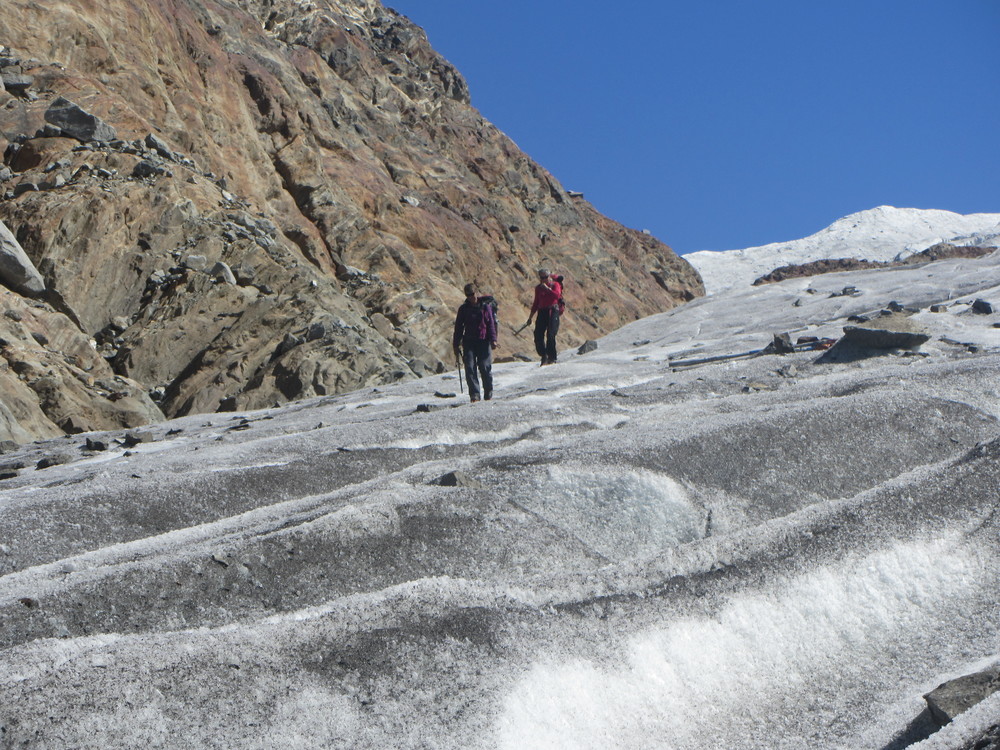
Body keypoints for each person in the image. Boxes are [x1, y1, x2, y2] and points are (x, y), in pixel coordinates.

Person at [453, 282, 497, 402]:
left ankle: (488, 391)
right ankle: (474, 394)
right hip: (469, 342)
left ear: (476, 293)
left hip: (483, 341)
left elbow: (491, 324)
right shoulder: (463, 309)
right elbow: (458, 327)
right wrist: (456, 344)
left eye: (472, 294)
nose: (471, 297)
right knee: (470, 367)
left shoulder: (485, 307)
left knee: (484, 367)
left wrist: (493, 340)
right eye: (468, 295)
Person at [525, 268, 562, 365]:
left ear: (549, 276)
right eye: (542, 277)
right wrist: (530, 317)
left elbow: (557, 296)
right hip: (542, 312)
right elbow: (536, 302)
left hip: (552, 310)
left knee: (550, 334)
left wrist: (548, 289)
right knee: (538, 334)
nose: (544, 279)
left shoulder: (555, 285)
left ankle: (552, 357)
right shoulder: (538, 288)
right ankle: (543, 355)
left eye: (545, 277)